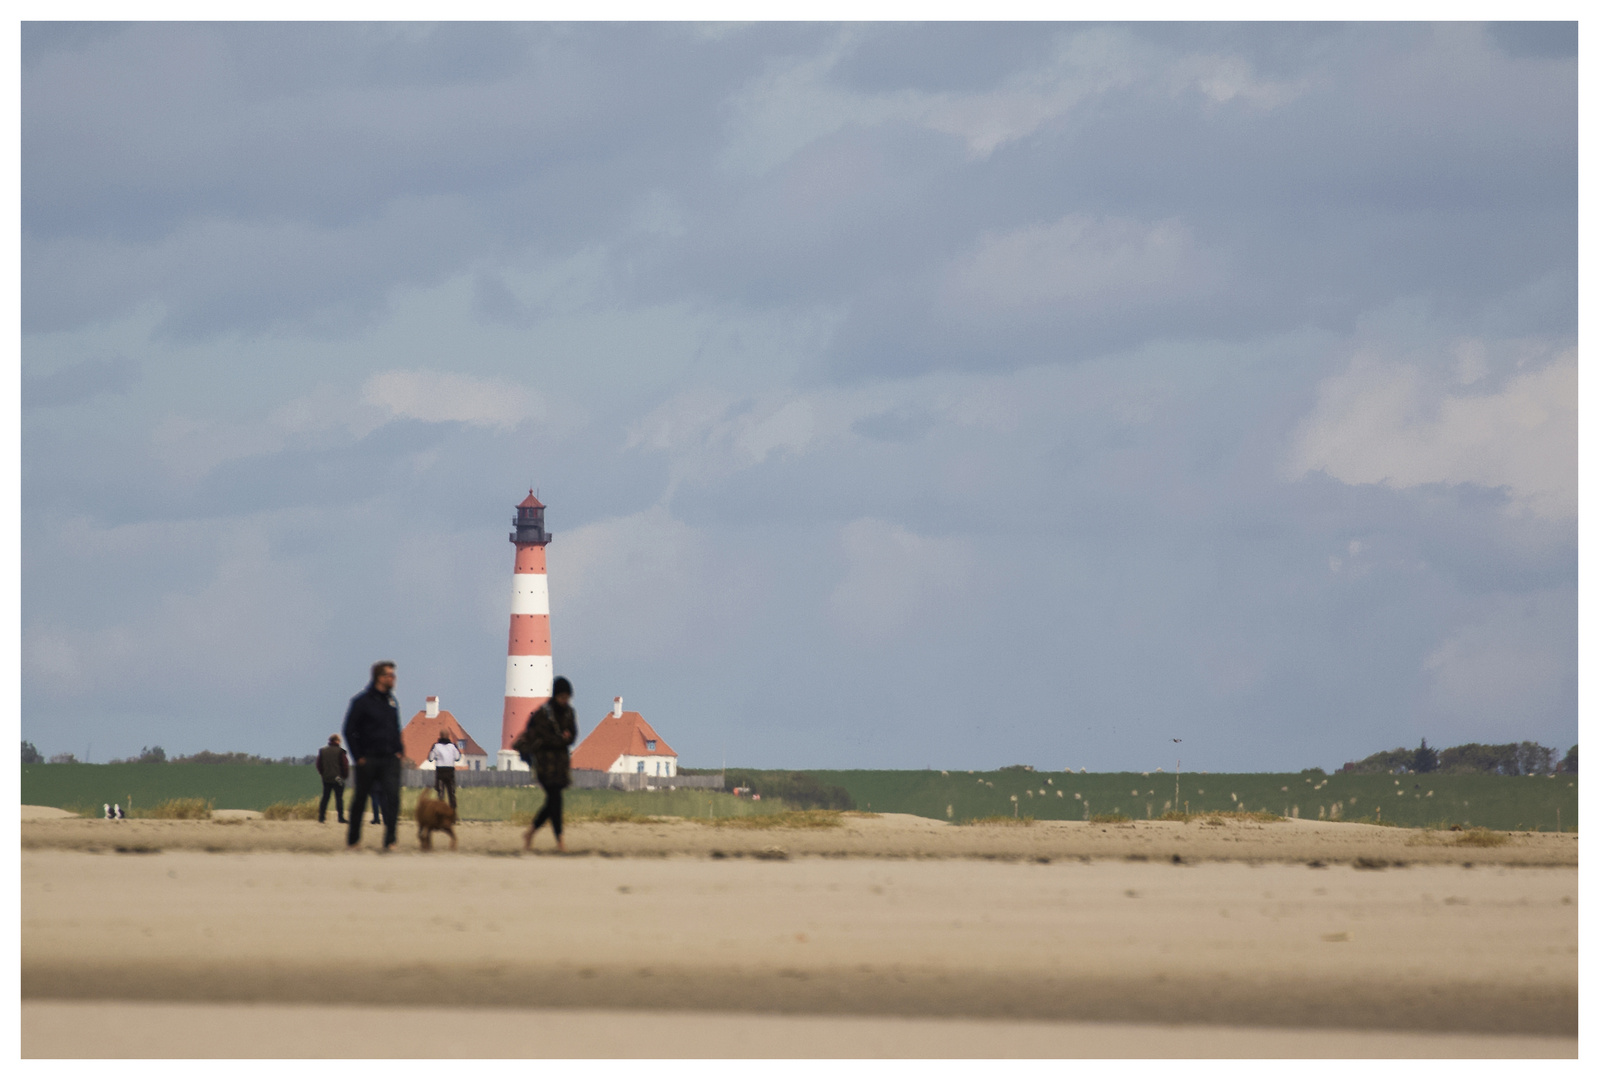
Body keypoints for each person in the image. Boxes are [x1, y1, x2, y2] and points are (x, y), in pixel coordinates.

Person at [343, 660, 404, 851]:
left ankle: (390, 841)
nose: (393, 679)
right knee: (360, 799)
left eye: (393, 675)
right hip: (368, 759)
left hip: (389, 760)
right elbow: (349, 730)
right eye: (390, 675)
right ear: (380, 677)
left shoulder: (392, 702)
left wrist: (399, 750)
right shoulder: (361, 702)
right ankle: (354, 840)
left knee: (393, 798)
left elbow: (396, 728)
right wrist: (358, 756)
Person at [519, 676, 577, 853]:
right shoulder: (543, 713)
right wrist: (561, 739)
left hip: (560, 765)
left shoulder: (569, 712)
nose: (564, 700)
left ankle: (530, 833)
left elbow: (573, 735)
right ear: (555, 695)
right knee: (555, 800)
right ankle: (560, 840)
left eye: (567, 697)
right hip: (545, 765)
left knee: (553, 801)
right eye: (562, 697)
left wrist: (564, 739)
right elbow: (543, 738)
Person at [315, 734, 349, 824]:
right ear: (337, 741)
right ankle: (340, 817)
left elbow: (318, 765)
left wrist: (323, 773)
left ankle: (321, 817)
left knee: (325, 797)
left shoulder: (322, 751)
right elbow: (345, 765)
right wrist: (344, 776)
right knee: (339, 798)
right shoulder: (340, 752)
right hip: (338, 778)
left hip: (326, 778)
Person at [428, 731, 461, 810]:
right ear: (448, 736)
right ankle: (452, 812)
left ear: (440, 736)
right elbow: (457, 757)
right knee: (451, 793)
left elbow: (430, 758)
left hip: (440, 771)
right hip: (450, 771)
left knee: (440, 793)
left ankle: (440, 812)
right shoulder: (453, 746)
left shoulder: (436, 746)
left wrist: (437, 757)